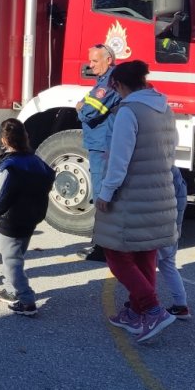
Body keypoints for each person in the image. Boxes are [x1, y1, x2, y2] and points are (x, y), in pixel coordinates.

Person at [96, 60, 179, 344]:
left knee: (117, 255)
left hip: (131, 195)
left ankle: (152, 310)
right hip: (159, 192)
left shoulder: (129, 112)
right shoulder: (164, 108)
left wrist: (106, 193)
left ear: (118, 85)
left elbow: (119, 160)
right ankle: (136, 311)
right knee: (146, 252)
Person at [0, 118, 56, 316]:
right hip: (32, 217)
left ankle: (26, 300)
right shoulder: (37, 161)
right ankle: (10, 289)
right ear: (25, 137)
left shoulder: (10, 166)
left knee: (12, 260)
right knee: (17, 255)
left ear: (4, 140)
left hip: (11, 221)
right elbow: (50, 177)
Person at [76, 43, 121, 262]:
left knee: (102, 196)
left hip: (102, 146)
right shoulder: (106, 80)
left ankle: (102, 247)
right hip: (103, 144)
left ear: (108, 60)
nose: (90, 65)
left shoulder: (109, 83)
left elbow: (89, 112)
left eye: (95, 61)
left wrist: (81, 106)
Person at [157, 167, 191, 320]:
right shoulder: (176, 173)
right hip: (173, 230)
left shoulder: (159, 173)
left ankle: (144, 305)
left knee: (144, 268)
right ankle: (181, 305)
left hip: (159, 232)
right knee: (169, 265)